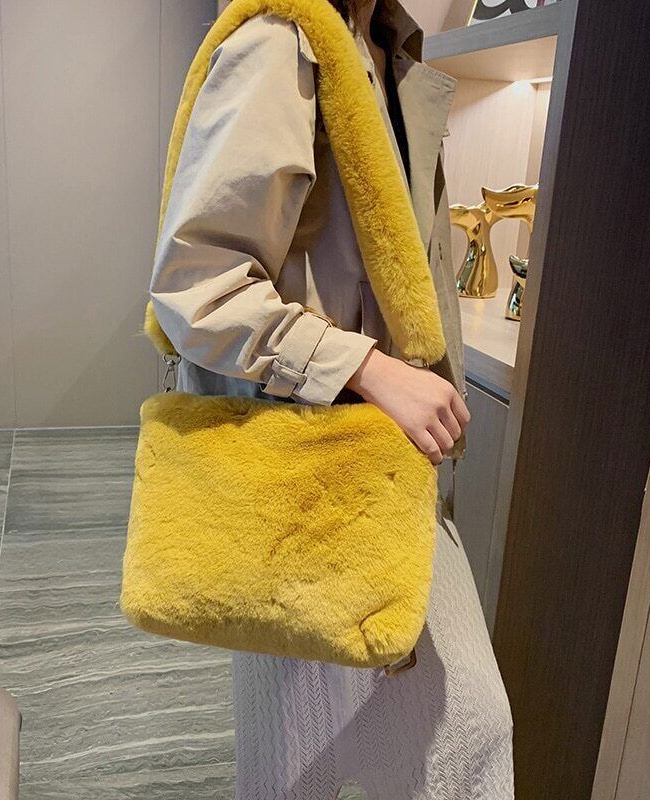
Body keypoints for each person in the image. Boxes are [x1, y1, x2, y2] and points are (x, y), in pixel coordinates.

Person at [149, 0, 514, 797]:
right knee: (449, 735)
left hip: (372, 461)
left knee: (311, 752)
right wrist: (370, 368)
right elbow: (195, 286)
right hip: (305, 460)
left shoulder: (389, 51)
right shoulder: (280, 44)